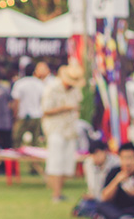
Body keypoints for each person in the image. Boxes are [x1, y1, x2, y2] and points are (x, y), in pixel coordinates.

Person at [42, 64, 85, 203]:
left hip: (70, 129)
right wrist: (63, 108)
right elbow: (45, 110)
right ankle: (56, 193)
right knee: (56, 161)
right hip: (56, 129)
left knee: (67, 163)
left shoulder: (75, 90)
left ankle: (59, 192)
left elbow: (78, 103)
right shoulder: (52, 88)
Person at [97, 143, 134, 219]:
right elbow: (104, 197)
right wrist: (116, 181)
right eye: (124, 158)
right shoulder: (114, 172)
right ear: (120, 158)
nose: (127, 162)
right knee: (102, 206)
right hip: (118, 210)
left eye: (130, 158)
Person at [74, 141, 119, 217]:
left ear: (105, 152)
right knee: (85, 204)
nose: (95, 158)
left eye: (98, 154)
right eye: (93, 155)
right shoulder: (88, 163)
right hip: (95, 198)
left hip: (111, 197)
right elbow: (92, 185)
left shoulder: (116, 163)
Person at [11, 62, 46, 147]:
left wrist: (15, 114)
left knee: (17, 140)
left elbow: (16, 101)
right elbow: (43, 100)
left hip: (22, 115)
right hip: (36, 114)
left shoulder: (19, 83)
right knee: (35, 142)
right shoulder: (39, 84)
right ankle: (34, 160)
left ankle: (16, 159)